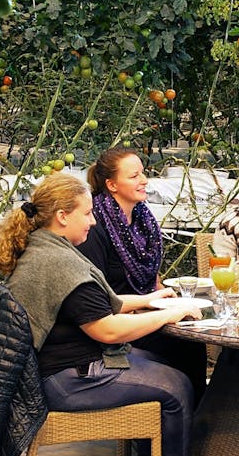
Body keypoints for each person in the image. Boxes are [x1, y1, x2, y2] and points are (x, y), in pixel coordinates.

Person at [0, 172, 207, 456]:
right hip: (66, 380)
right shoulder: (59, 263)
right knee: (177, 386)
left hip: (57, 368)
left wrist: (150, 300)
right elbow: (107, 330)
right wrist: (170, 314)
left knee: (166, 362)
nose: (93, 221)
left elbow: (96, 303)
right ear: (63, 215)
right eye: (87, 213)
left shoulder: (44, 248)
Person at [75, 148, 210, 404]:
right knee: (185, 347)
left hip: (145, 309)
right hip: (116, 322)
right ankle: (175, 423)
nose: (144, 180)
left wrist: (162, 297)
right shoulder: (93, 228)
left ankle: (196, 420)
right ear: (112, 185)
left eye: (143, 173)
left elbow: (151, 272)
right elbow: (97, 296)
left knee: (192, 336)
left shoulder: (142, 219)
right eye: (134, 176)